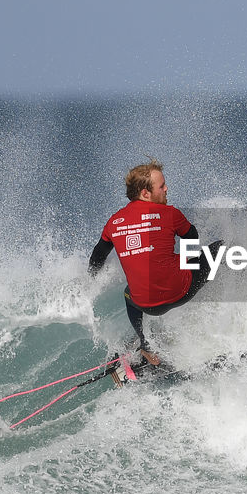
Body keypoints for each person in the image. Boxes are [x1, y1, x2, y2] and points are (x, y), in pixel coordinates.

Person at [88, 159, 220, 372]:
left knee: (128, 294)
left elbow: (97, 257)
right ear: (145, 193)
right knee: (221, 248)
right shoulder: (171, 213)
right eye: (162, 186)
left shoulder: (114, 223)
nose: (167, 189)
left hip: (146, 306)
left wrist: (91, 282)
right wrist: (185, 261)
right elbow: (192, 236)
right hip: (183, 290)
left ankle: (145, 345)